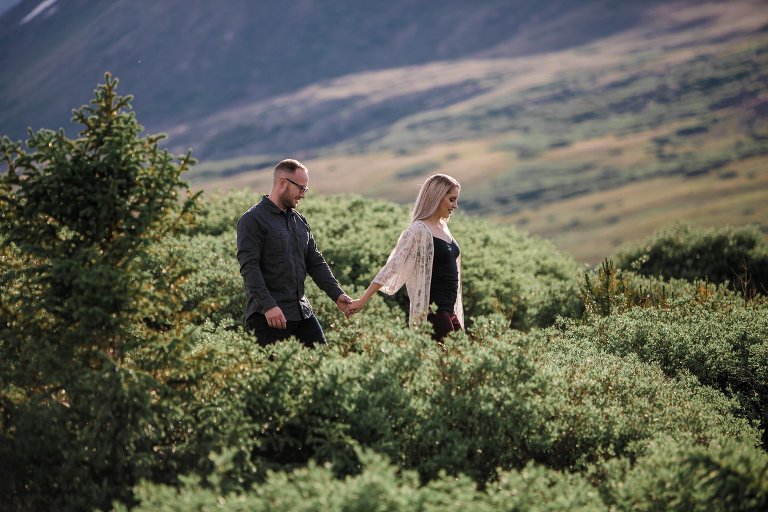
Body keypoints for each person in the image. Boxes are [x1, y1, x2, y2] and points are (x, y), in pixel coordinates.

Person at [236, 158, 352, 347]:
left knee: (321, 363)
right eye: (301, 188)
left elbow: (315, 262)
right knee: (272, 375)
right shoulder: (252, 220)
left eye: (305, 189)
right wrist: (269, 306)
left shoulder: (300, 221)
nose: (303, 195)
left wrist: (337, 295)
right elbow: (249, 268)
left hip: (301, 312)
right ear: (283, 183)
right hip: (267, 318)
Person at [347, 174, 463, 340]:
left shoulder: (444, 228)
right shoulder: (418, 230)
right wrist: (362, 300)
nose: (455, 205)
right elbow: (392, 266)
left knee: (461, 359)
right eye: (452, 199)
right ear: (437, 197)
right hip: (433, 313)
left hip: (450, 311)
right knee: (450, 359)